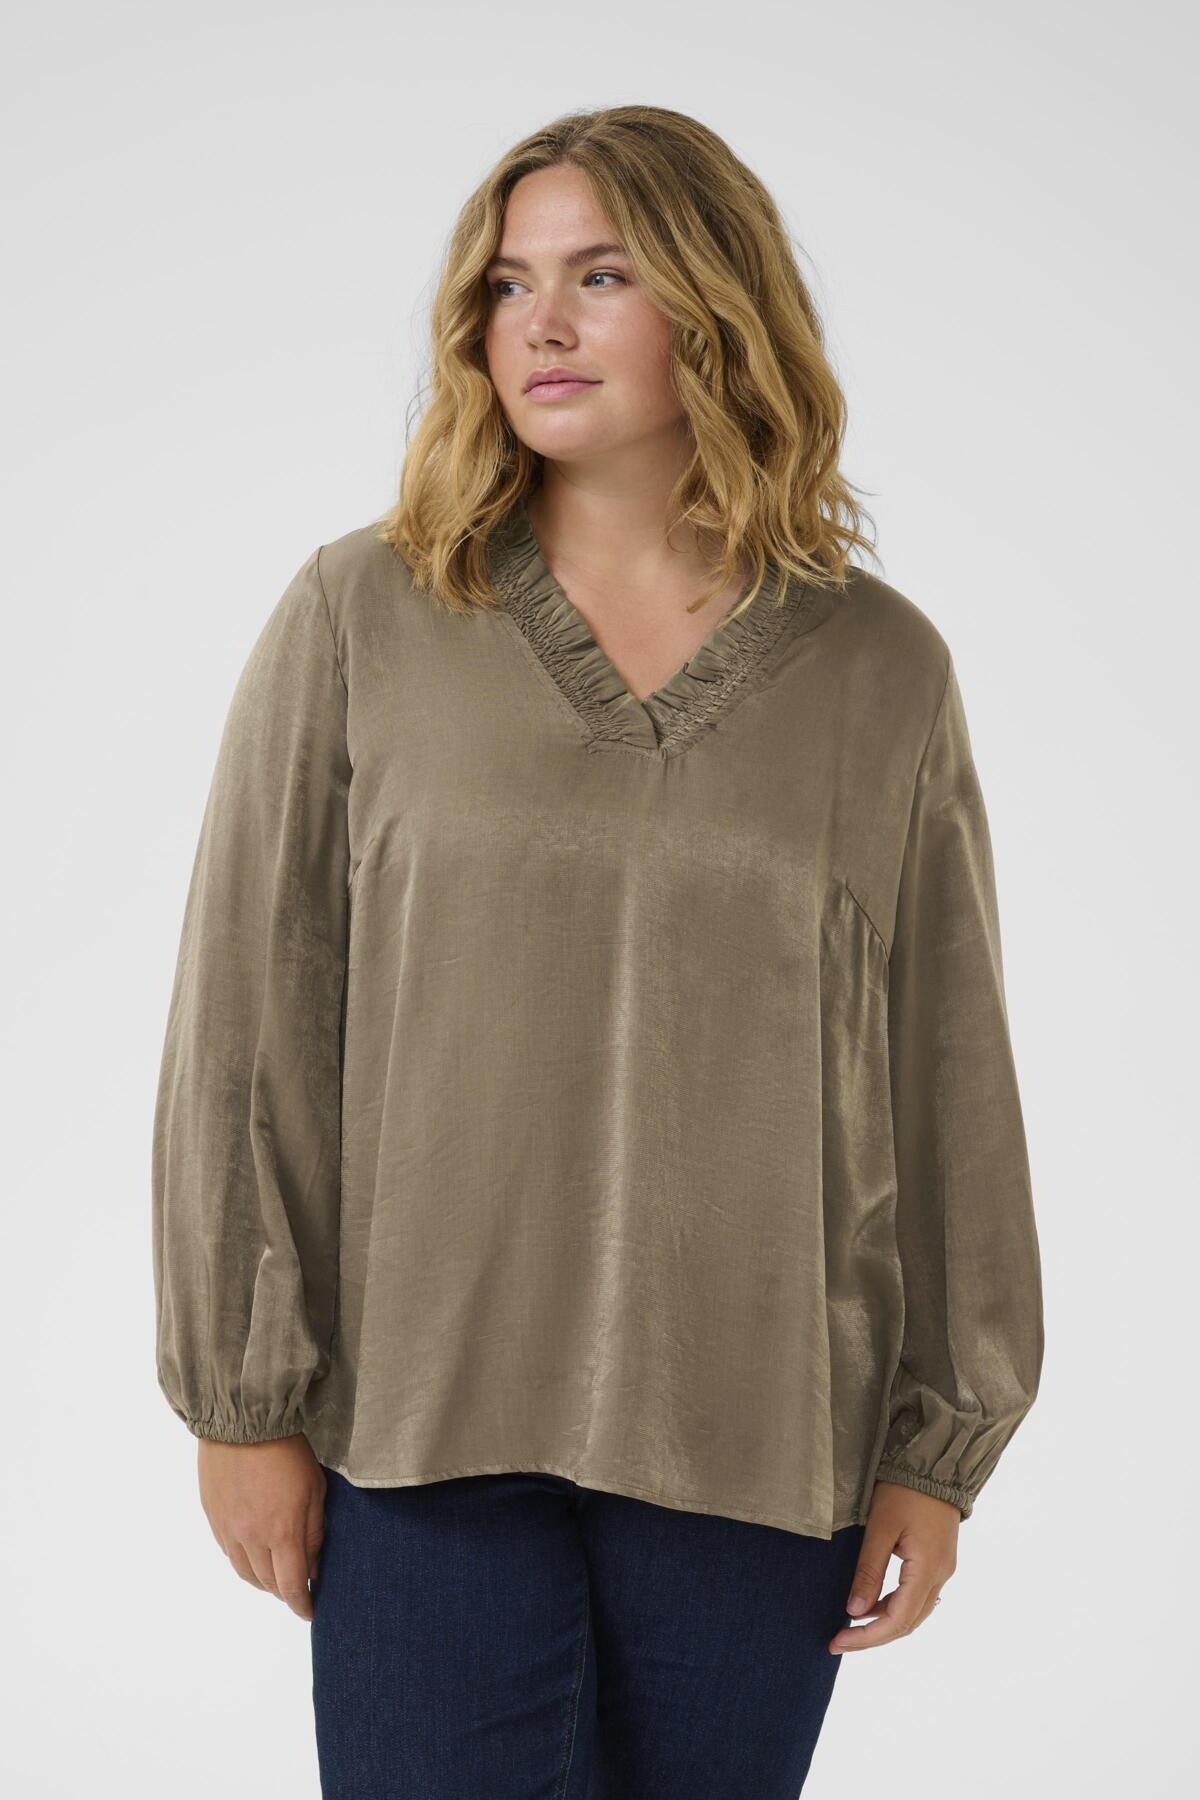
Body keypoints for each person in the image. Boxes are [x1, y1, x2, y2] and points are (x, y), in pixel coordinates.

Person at [151, 104, 1044, 1798]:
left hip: (759, 1447)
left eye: (602, 276)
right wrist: (242, 1399)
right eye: (509, 284)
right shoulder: (365, 614)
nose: (541, 325)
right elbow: (252, 1027)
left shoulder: (880, 669)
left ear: (716, 302)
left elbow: (946, 1076)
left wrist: (941, 1447)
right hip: (421, 1437)